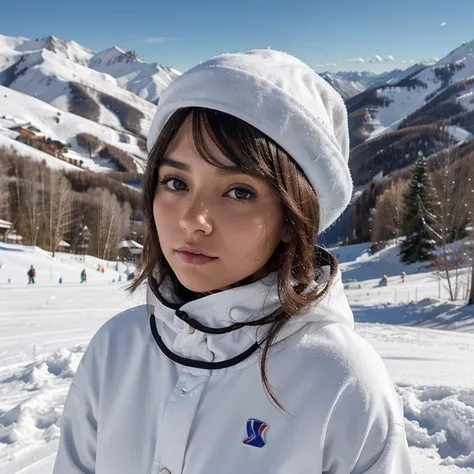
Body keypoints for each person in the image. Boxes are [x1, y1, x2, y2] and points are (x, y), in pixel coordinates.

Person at [53, 50, 412, 473]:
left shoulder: (341, 379)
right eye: (175, 182)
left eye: (239, 192)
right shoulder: (115, 350)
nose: (192, 220)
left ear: (290, 217)